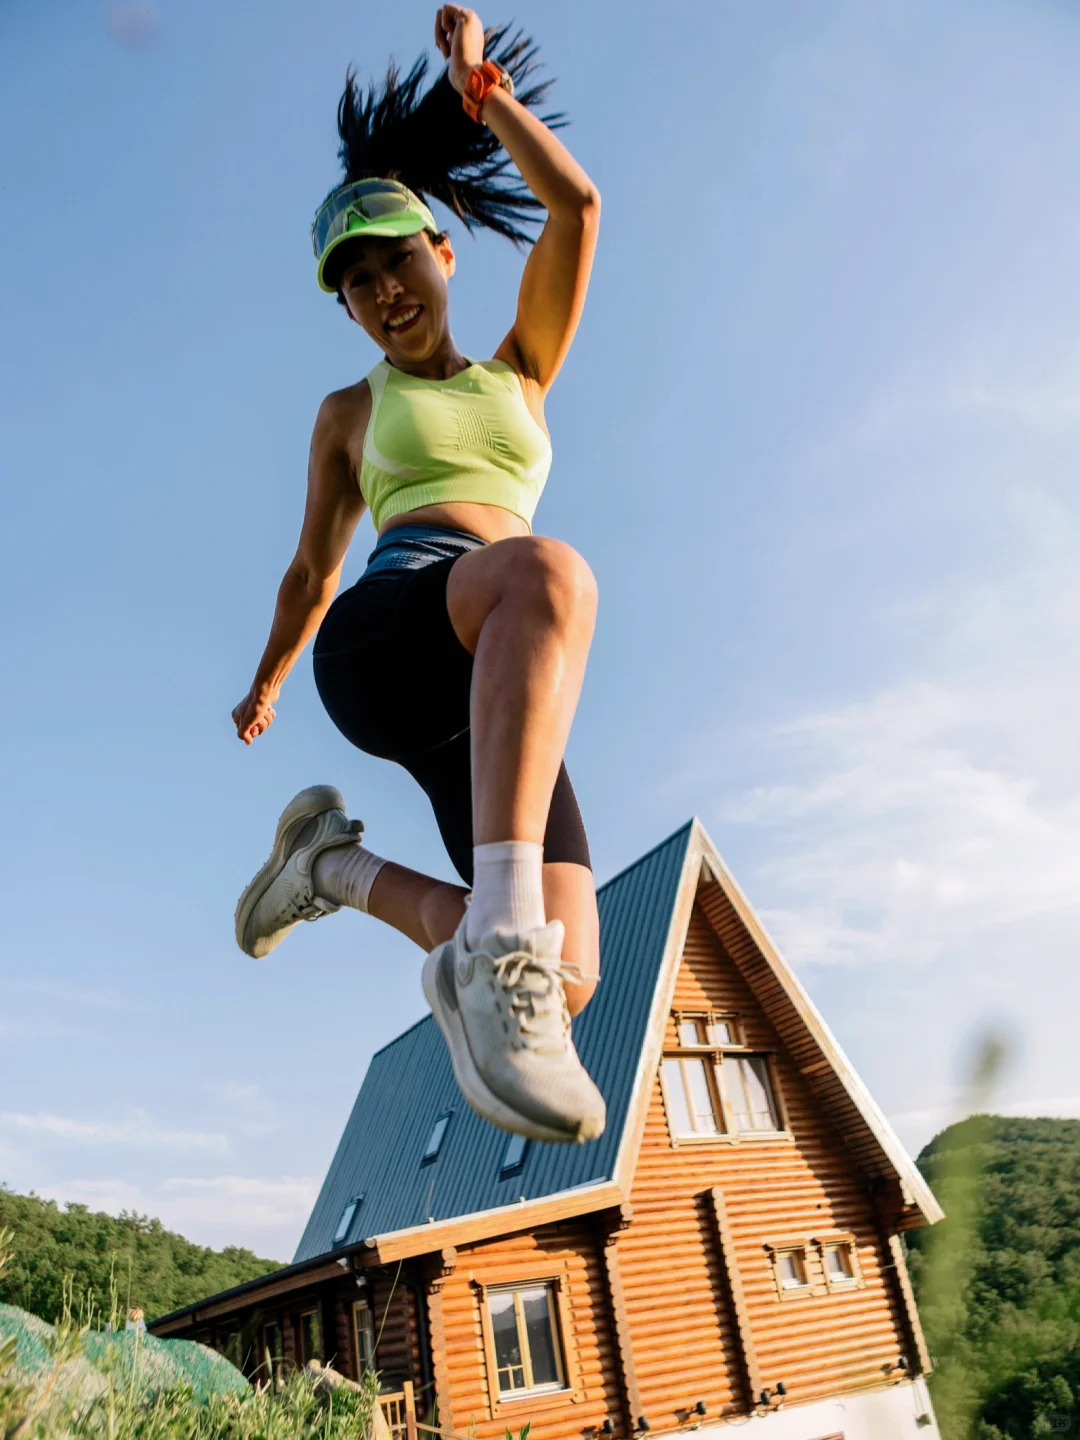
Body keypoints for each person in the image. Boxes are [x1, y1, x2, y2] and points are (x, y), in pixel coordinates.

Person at [231, 6, 604, 1145]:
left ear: (441, 253)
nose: (384, 290)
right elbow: (310, 567)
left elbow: (576, 209)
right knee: (546, 574)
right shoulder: (352, 413)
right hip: (392, 633)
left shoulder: (520, 376)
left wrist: (480, 95)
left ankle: (330, 869)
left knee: (573, 970)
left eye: (396, 258)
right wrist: (268, 682)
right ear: (343, 308)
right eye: (356, 283)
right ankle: (497, 940)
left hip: (486, 691)